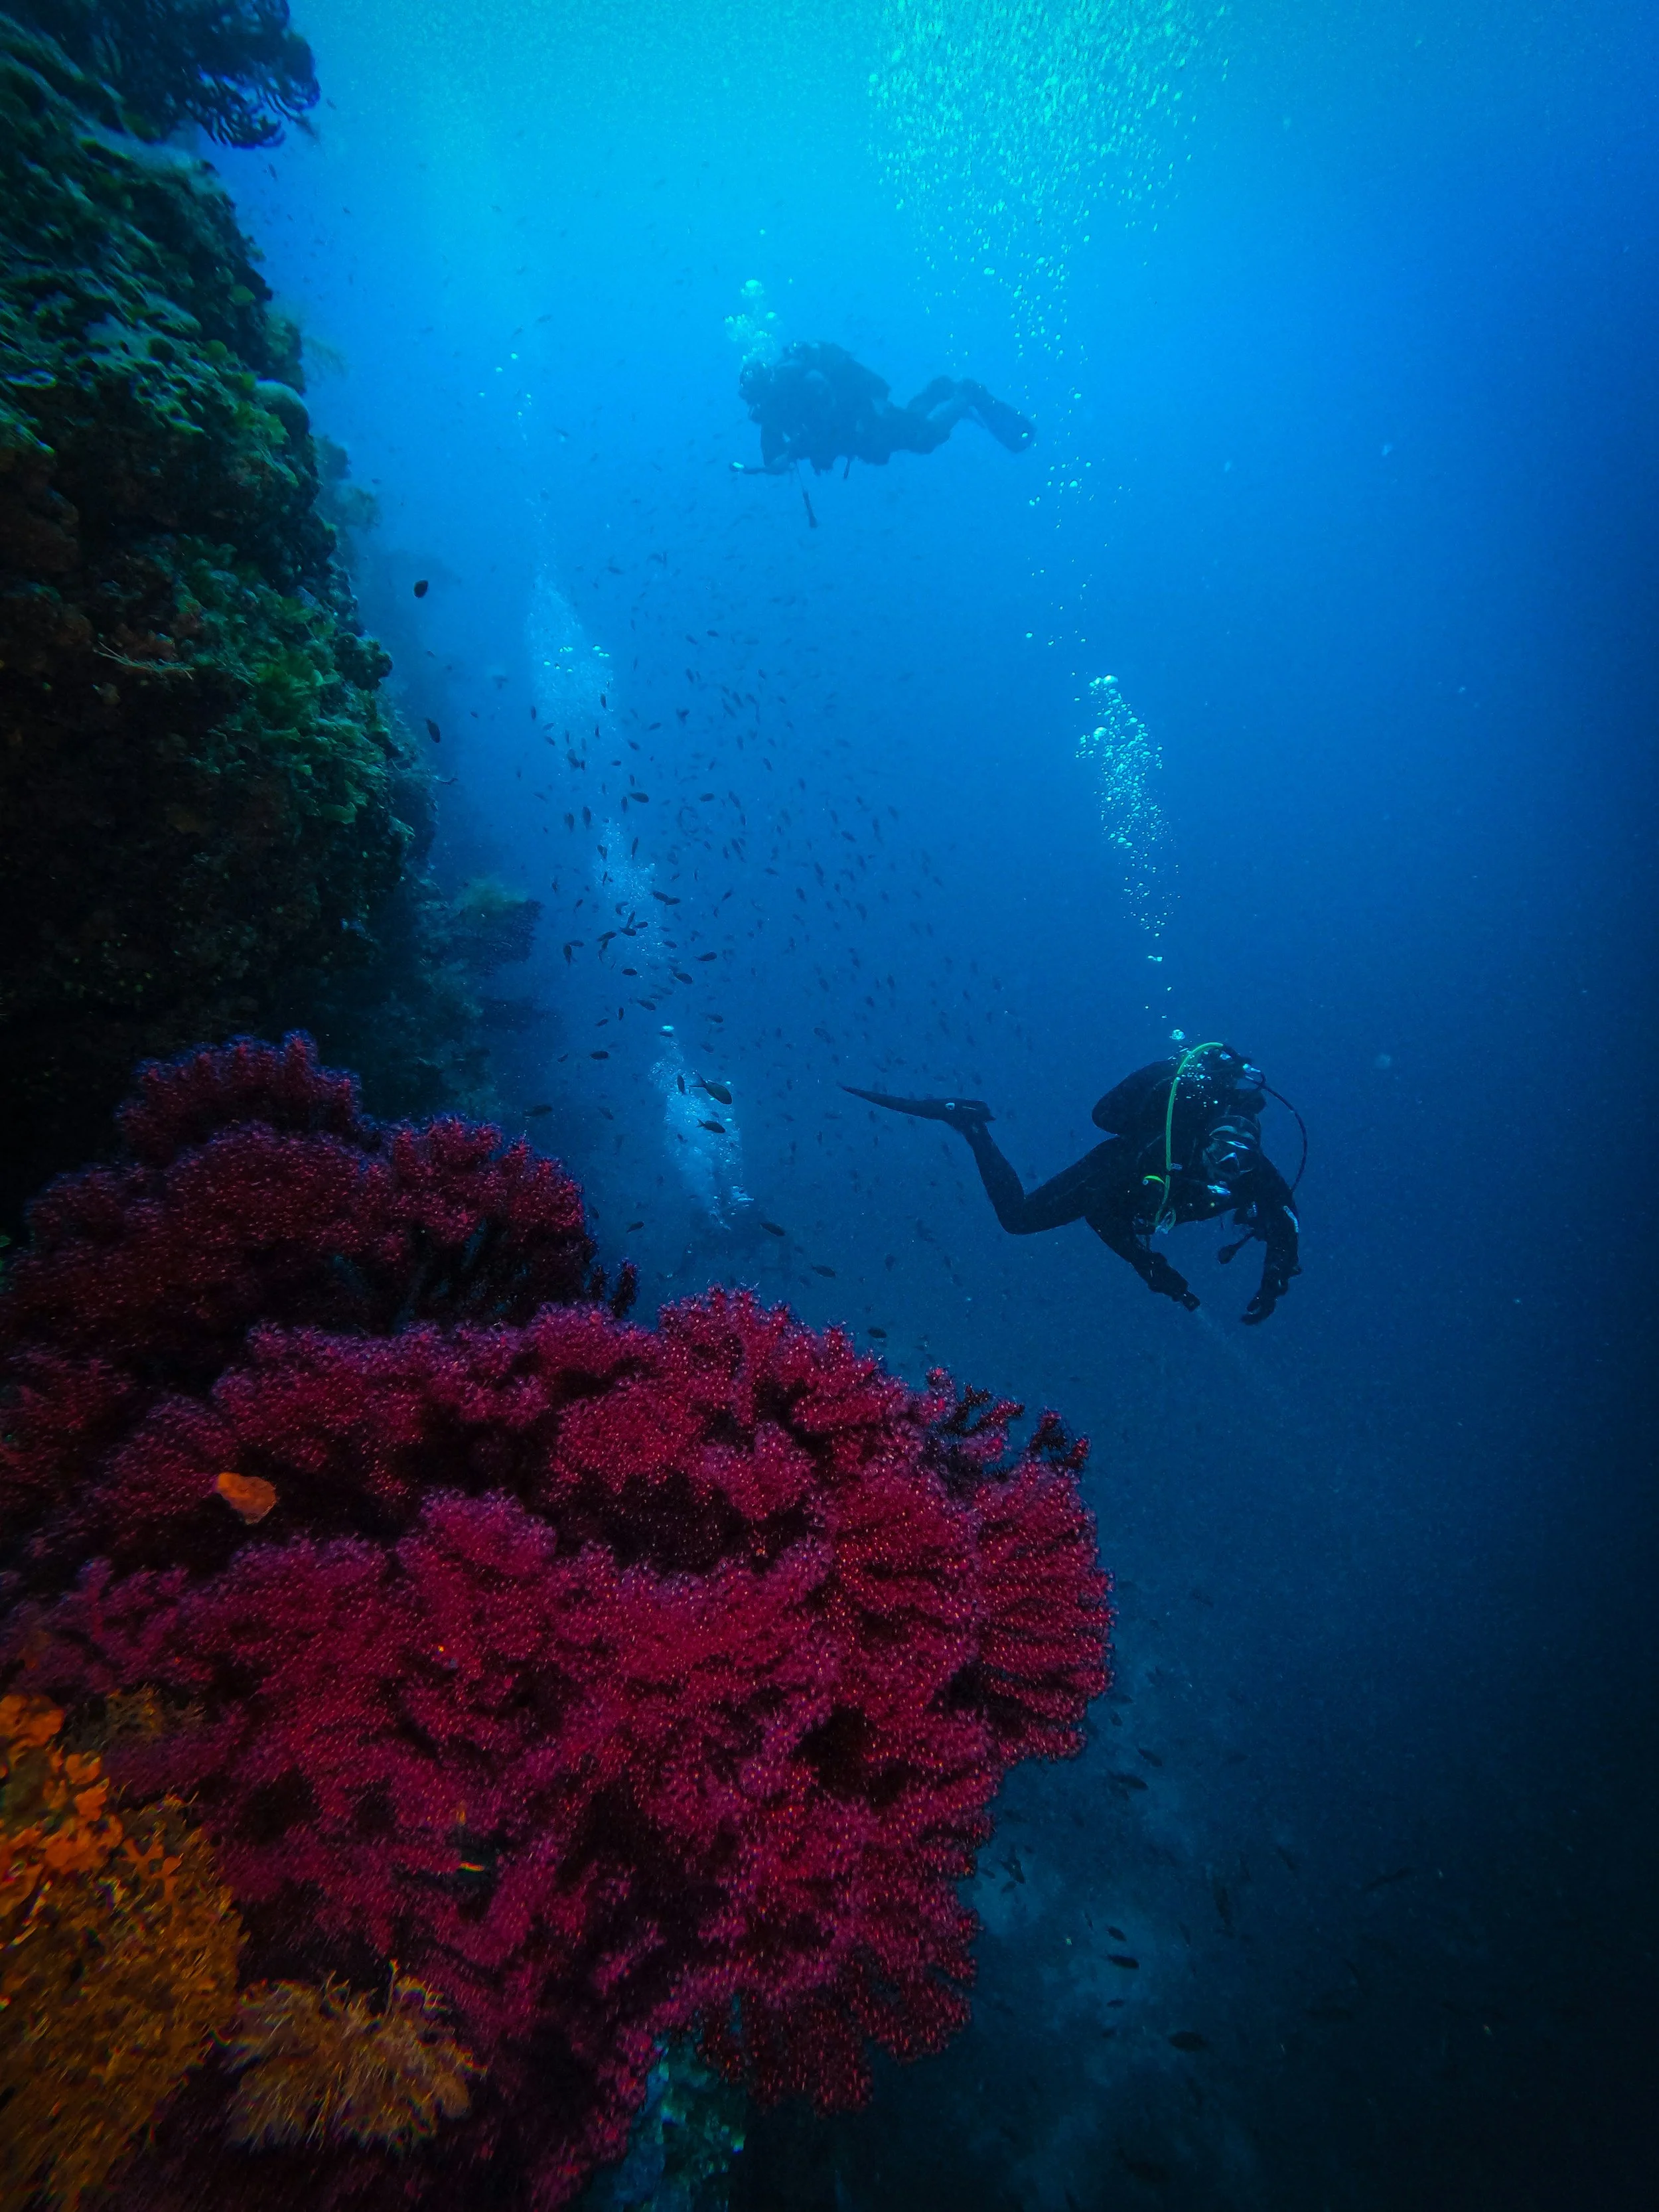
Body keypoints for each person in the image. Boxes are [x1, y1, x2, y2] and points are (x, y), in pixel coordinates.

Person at [845, 1042, 1303, 1324]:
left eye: (1236, 1163)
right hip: (1110, 1174)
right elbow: (1101, 1211)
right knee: (1018, 1218)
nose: (1225, 1169)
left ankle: (969, 1123)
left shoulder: (1252, 1172)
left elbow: (1284, 1218)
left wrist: (1275, 1279)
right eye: (1219, 1155)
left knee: (1022, 1220)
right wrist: (1146, 1263)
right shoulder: (1165, 1148)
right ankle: (970, 1124)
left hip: (1135, 1199)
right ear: (1206, 1140)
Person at [732, 341, 1036, 476]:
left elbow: (827, 413)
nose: (758, 407)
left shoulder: (799, 380)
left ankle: (965, 396)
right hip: (862, 434)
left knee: (924, 439)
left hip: (866, 420)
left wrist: (798, 449)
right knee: (912, 425)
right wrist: (773, 465)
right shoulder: (772, 411)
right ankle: (939, 390)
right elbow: (774, 456)